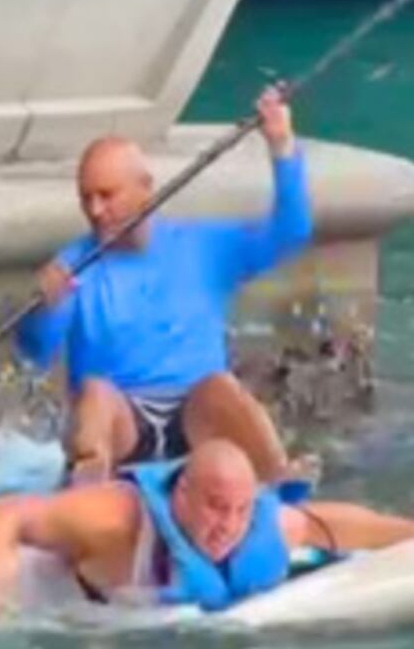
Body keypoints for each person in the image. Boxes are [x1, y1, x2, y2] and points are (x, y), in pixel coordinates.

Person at [16, 88, 314, 484]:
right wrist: (43, 309)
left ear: (145, 189)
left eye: (107, 195)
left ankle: (278, 479)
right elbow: (36, 352)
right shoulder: (71, 265)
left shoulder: (205, 246)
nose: (95, 211)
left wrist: (281, 145)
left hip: (198, 421)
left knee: (221, 388)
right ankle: (87, 486)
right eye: (86, 198)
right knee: (95, 395)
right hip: (122, 426)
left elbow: (291, 231)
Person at [0, 439, 414, 622]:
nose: (229, 526)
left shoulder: (262, 525)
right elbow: (1, 513)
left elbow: (335, 526)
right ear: (182, 494)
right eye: (216, 508)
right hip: (30, 603)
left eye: (240, 510)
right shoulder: (116, 519)